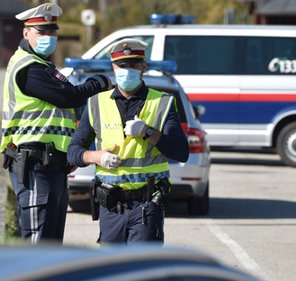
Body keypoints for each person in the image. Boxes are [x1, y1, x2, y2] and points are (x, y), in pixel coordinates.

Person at [0, 3, 112, 244]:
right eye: (41, 32)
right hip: (33, 164)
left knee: (51, 246)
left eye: (52, 32)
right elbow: (67, 96)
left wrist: (67, 154)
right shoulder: (28, 67)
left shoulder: (44, 67)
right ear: (26, 32)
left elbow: (61, 113)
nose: (48, 38)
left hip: (53, 164)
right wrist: (99, 82)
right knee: (38, 244)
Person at [67, 38, 189, 244]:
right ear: (114, 67)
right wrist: (97, 156)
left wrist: (149, 132)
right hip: (110, 206)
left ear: (143, 66)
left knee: (141, 271)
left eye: (133, 65)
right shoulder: (97, 102)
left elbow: (180, 151)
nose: (127, 70)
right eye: (122, 66)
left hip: (147, 205)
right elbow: (73, 151)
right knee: (113, 270)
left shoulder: (162, 102)